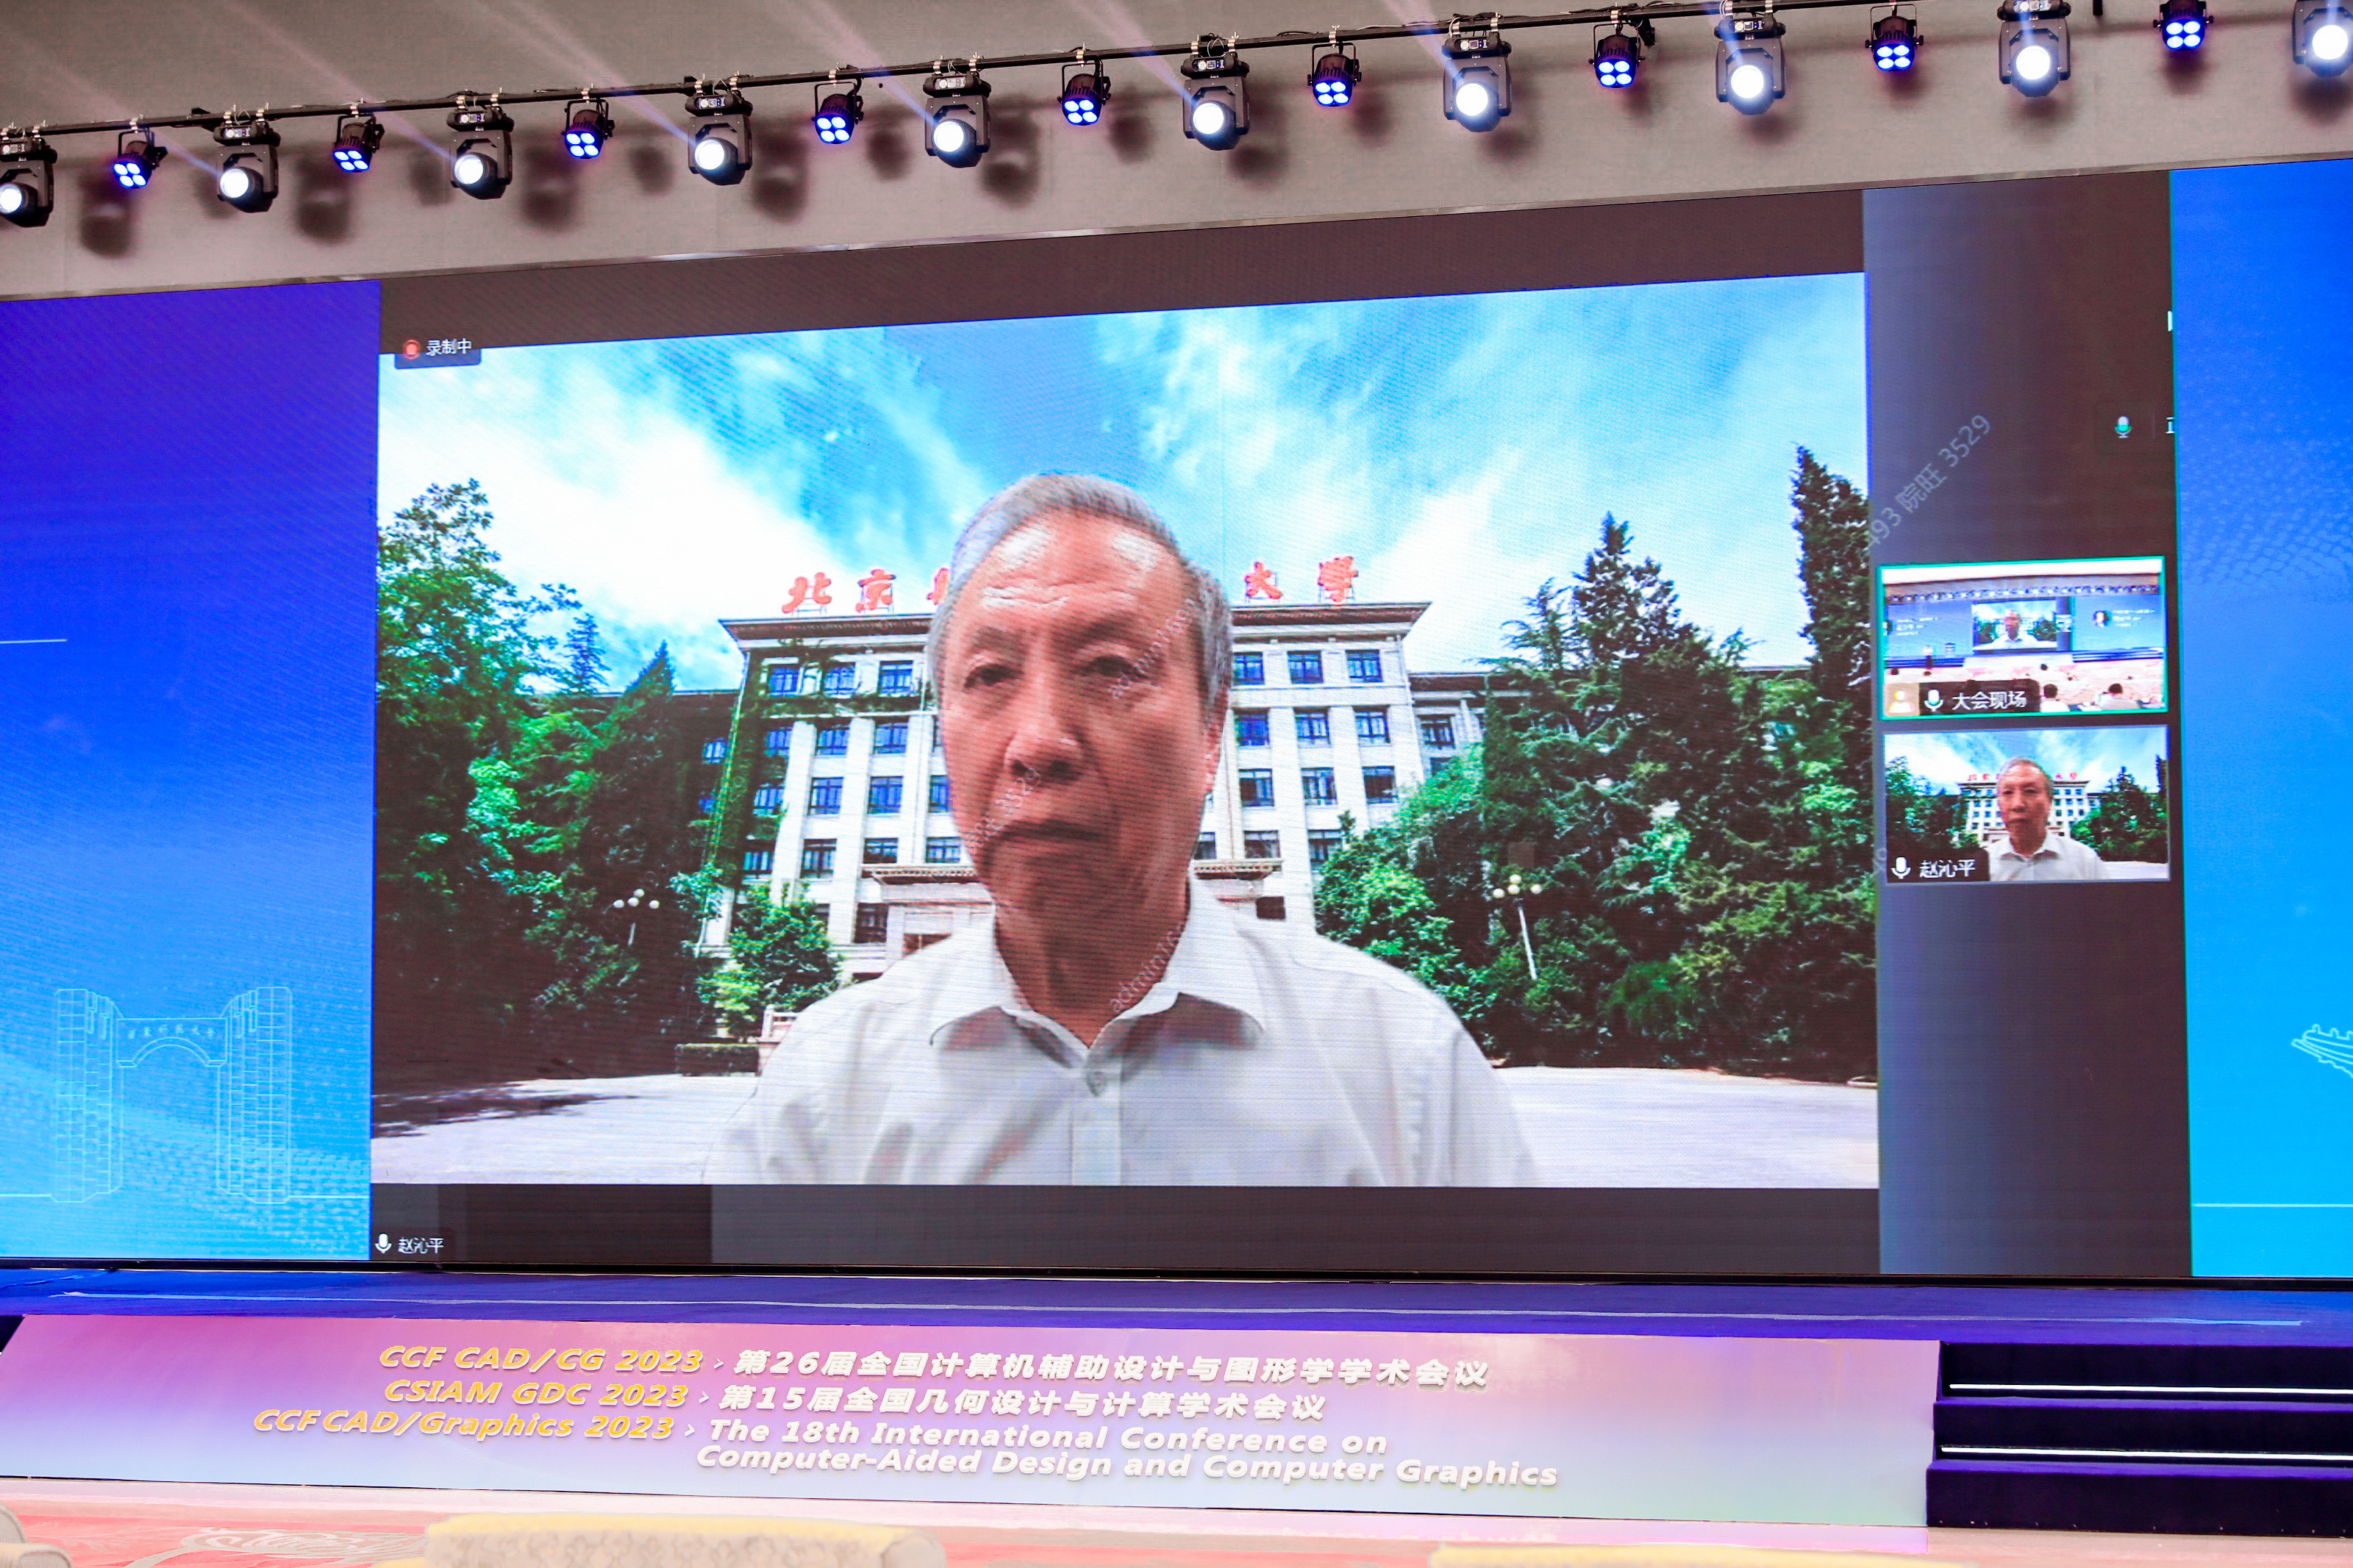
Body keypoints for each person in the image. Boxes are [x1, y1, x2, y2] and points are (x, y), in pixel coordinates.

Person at [709, 474, 1536, 1185]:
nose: (1037, 744)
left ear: (1210, 733)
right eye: (989, 674)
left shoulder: (1403, 1068)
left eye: (1109, 669)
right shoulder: (826, 1085)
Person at [1986, 757, 2107, 881]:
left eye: (2030, 791)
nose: (2018, 804)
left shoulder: (2085, 860)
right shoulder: (1983, 863)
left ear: (2049, 801)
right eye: (2007, 793)